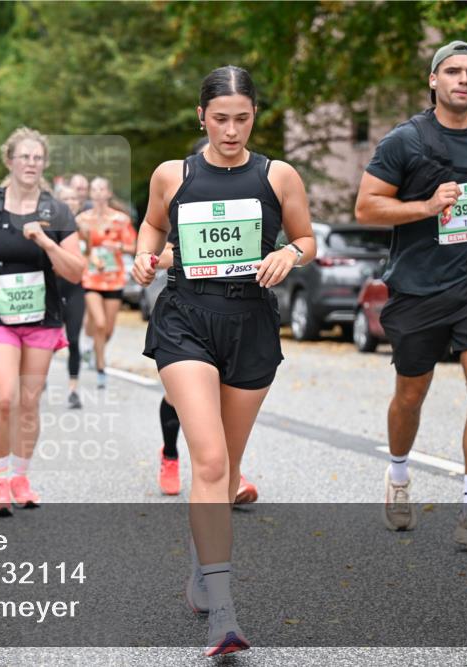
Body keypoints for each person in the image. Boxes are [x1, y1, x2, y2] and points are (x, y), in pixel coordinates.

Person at [132, 66, 314, 656]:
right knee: (208, 459)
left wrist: (290, 253)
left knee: (228, 472)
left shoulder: (278, 175)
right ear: (201, 117)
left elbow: (307, 239)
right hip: (186, 316)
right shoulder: (173, 173)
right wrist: (145, 259)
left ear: (254, 115)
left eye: (242, 118)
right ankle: (224, 614)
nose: (231, 130)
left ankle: (200, 566)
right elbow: (153, 228)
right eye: (220, 118)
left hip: (251, 323)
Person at [354, 41, 467, 549]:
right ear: (433, 81)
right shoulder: (405, 140)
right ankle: (399, 474)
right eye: (452, 71)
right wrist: (426, 207)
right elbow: (366, 208)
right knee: (411, 394)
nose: (463, 80)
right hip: (418, 284)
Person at [0, 127, 84, 515]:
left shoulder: (56, 211)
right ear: (9, 161)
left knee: (28, 401)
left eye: (37, 158)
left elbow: (76, 272)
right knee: (5, 396)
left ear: (44, 164)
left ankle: (20, 478)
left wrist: (45, 241)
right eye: (23, 157)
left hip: (43, 317)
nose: (31, 163)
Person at [151, 243, 259, 503]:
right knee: (181, 398)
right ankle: (170, 455)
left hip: (237, 313)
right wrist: (154, 258)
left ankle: (227, 471)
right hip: (188, 312)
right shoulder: (185, 204)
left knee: (227, 395)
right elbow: (162, 253)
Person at [77, 177, 136, 389]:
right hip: (91, 277)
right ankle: (101, 368)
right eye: (95, 189)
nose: (99, 192)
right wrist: (89, 257)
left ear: (109, 193)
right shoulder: (82, 220)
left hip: (114, 279)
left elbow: (133, 247)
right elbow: (78, 248)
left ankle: (94, 349)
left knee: (108, 329)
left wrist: (118, 247)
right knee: (99, 323)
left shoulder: (120, 220)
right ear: (90, 194)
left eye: (102, 188)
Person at [56, 186, 86, 408]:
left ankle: (73, 389)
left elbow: (91, 254)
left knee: (74, 339)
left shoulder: (84, 227)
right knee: (47, 339)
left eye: (73, 197)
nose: (70, 201)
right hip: (53, 287)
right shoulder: (51, 226)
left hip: (76, 287)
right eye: (65, 198)